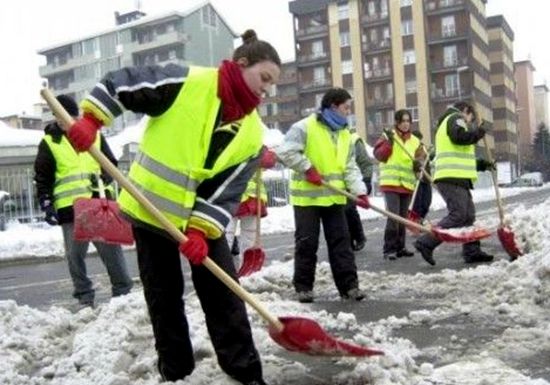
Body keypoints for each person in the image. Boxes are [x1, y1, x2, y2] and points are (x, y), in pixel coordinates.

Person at [64, 30, 281, 385]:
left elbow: (225, 190)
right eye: (265, 78)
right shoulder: (188, 82)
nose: (267, 89)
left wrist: (200, 230)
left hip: (199, 225)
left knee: (224, 295)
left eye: (272, 84)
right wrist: (92, 120)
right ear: (242, 65)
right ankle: (176, 371)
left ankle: (245, 373)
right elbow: (123, 83)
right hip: (151, 212)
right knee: (163, 297)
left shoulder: (253, 134)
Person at [34, 94, 133, 309]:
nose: (64, 120)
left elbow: (110, 164)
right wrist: (46, 202)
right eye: (59, 116)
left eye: (68, 115)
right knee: (75, 256)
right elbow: (43, 176)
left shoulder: (94, 136)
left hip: (98, 204)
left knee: (111, 250)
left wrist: (105, 177)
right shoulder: (50, 142)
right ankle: (85, 297)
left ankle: (123, 293)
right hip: (70, 209)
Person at [276, 88, 368, 303]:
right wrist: (307, 168)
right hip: (307, 199)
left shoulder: (345, 134)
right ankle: (303, 287)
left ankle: (350, 287)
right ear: (333, 106)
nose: (348, 112)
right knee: (307, 244)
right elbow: (285, 152)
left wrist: (359, 191)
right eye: (346, 107)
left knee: (342, 244)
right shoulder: (304, 127)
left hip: (335, 199)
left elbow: (349, 167)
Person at [414, 101, 495, 266]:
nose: (469, 123)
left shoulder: (451, 121)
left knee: (468, 215)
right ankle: (426, 242)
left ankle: (472, 251)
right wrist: (480, 131)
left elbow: (462, 154)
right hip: (451, 177)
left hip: (457, 177)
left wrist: (482, 164)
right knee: (458, 214)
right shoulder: (455, 117)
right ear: (466, 111)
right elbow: (460, 137)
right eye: (470, 119)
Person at [373, 109, 424, 261]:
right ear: (397, 122)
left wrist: (417, 165)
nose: (406, 124)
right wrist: (388, 143)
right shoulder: (389, 136)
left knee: (403, 218)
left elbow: (420, 159)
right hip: (391, 183)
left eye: (408, 121)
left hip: (406, 184)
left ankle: (401, 247)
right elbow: (379, 156)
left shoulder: (415, 141)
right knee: (393, 217)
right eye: (403, 121)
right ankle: (389, 249)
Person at [345, 129, 374, 252]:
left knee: (349, 210)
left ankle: (359, 236)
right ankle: (347, 242)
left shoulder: (353, 139)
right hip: (334, 186)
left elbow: (365, 163)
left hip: (352, 183)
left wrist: (366, 180)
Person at [409, 130, 433, 225]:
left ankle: (421, 219)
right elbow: (411, 161)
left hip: (425, 179)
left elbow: (427, 161)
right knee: (417, 203)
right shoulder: (410, 148)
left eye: (419, 139)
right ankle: (416, 222)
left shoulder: (423, 147)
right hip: (416, 179)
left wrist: (429, 152)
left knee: (427, 202)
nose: (418, 141)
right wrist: (416, 170)